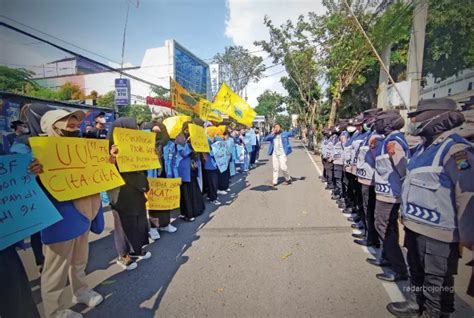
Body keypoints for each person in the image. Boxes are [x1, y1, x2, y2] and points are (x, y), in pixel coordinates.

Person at [387, 98, 474, 317]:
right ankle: (416, 303)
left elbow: (466, 193)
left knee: (435, 281)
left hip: (439, 233)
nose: (414, 121)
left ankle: (434, 312)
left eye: (418, 117)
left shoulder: (455, 149)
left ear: (435, 118)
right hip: (416, 226)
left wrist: (468, 235)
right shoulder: (424, 148)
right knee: (417, 270)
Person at [38, 109, 105, 318]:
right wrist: (33, 171)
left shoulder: (85, 149)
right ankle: (54, 311)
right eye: (68, 124)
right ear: (53, 127)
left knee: (79, 261)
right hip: (60, 219)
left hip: (85, 214)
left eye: (76, 124)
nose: (75, 126)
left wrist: (109, 161)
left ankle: (81, 291)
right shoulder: (39, 153)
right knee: (55, 269)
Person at [370, 110, 409, 282]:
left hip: (391, 195)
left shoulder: (394, 142)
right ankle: (387, 258)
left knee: (384, 227)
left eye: (379, 121)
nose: (375, 124)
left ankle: (399, 268)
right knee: (388, 228)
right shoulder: (386, 140)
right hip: (385, 193)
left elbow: (403, 171)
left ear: (388, 123)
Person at [108, 117, 152, 267]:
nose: (134, 132)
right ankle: (123, 254)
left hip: (137, 187)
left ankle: (137, 250)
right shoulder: (108, 147)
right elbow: (102, 168)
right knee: (123, 222)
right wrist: (111, 157)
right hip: (120, 190)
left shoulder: (135, 143)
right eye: (130, 129)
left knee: (139, 219)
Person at [147, 122, 178, 240]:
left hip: (167, 176)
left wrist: (176, 178)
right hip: (152, 177)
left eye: (158, 132)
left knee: (166, 202)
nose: (156, 134)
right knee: (154, 204)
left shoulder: (170, 144)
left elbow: (174, 162)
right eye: (153, 132)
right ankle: (153, 228)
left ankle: (165, 224)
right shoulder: (147, 145)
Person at [175, 122, 205, 221]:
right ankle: (188, 214)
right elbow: (183, 153)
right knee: (186, 193)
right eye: (187, 130)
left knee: (193, 190)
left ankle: (196, 210)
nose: (188, 132)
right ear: (184, 129)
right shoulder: (179, 138)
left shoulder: (193, 137)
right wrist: (189, 145)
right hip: (183, 170)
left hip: (192, 168)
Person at [204, 135, 222, 205]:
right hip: (211, 167)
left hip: (211, 167)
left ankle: (210, 196)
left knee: (211, 183)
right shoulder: (210, 147)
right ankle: (213, 198)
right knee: (213, 183)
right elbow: (214, 154)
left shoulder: (210, 145)